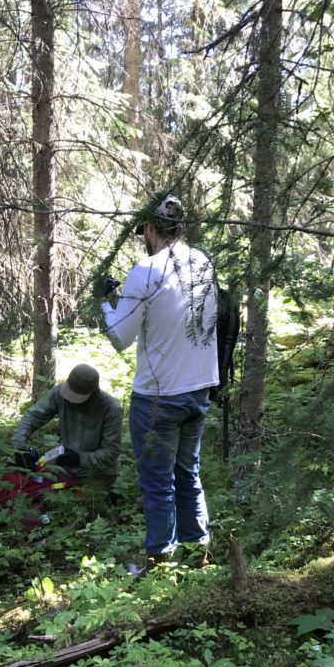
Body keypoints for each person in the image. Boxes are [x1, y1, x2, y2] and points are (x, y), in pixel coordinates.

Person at [100, 194, 218, 576]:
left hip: (158, 395)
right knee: (188, 473)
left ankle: (160, 567)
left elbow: (121, 337)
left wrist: (105, 303)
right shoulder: (202, 262)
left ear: (151, 228)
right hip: (198, 387)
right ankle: (198, 557)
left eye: (145, 232)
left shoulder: (146, 270)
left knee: (157, 483)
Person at [10, 363, 122, 492]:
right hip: (66, 468)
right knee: (28, 490)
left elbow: (111, 453)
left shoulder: (111, 409)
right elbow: (33, 416)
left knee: (75, 501)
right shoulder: (59, 393)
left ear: (93, 394)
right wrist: (20, 447)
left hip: (97, 474)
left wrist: (80, 459)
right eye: (69, 396)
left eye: (76, 399)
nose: (70, 402)